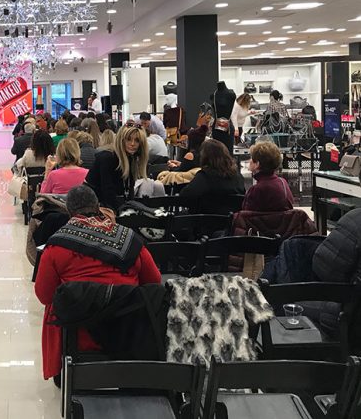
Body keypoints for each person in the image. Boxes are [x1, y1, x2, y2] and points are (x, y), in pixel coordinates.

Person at [35, 185, 161, 382]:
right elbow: (154, 281)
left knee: (54, 304)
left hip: (80, 331)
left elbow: (44, 295)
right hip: (129, 327)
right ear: (98, 206)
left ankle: (60, 367)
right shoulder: (129, 238)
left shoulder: (57, 245)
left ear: (68, 211)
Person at [85, 125, 148, 210]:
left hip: (108, 204)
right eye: (128, 139)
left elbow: (129, 189)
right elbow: (107, 190)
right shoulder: (107, 158)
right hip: (92, 205)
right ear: (121, 140)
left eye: (137, 140)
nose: (132, 144)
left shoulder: (131, 159)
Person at [179, 139, 245, 201]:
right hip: (233, 212)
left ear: (204, 157)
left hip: (206, 212)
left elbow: (184, 196)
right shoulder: (238, 177)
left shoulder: (204, 177)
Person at [243, 141, 294, 212]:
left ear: (257, 164)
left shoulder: (255, 190)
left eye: (251, 158)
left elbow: (247, 216)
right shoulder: (283, 183)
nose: (249, 160)